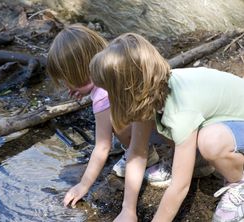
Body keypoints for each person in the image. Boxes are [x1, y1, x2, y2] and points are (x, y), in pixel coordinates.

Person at [89, 32, 244, 222]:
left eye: (109, 90)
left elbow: (179, 187)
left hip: (237, 121)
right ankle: (198, 163)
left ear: (127, 90)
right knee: (171, 130)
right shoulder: (148, 94)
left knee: (211, 141)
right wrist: (128, 210)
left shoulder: (181, 110)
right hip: (218, 118)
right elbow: (137, 153)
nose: (107, 97)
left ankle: (239, 183)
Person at [46, 24, 160, 208]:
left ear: (81, 72)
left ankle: (146, 157)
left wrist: (83, 185)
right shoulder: (116, 63)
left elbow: (102, 146)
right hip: (160, 118)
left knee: (117, 123)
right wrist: (84, 89)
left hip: (155, 127)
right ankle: (139, 146)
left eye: (67, 80)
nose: (67, 86)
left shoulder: (101, 95)